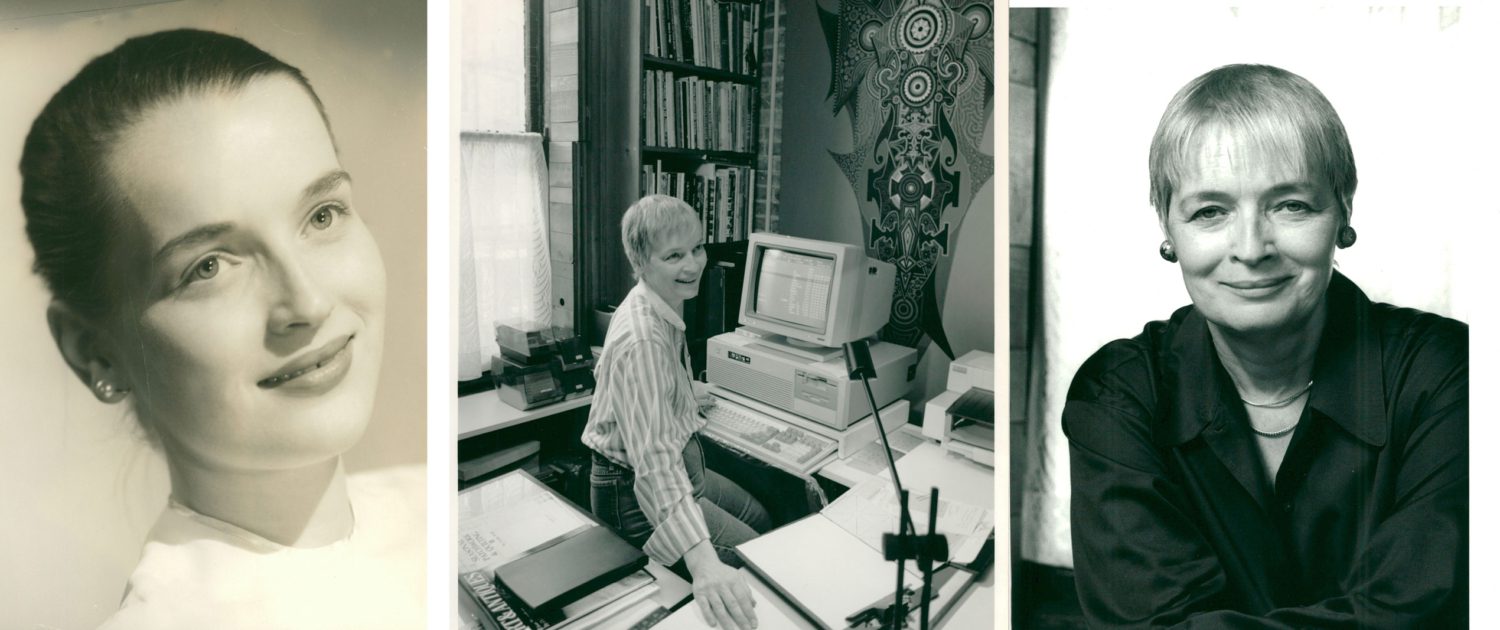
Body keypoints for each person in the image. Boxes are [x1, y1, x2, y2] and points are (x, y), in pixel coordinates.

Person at [19, 29, 422, 629]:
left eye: (321, 214)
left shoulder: (428, 499)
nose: (306, 301)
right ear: (96, 354)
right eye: (207, 266)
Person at [1063, 64, 1466, 627]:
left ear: (1343, 213)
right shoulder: (1118, 394)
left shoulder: (1451, 372)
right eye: (1210, 211)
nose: (1251, 248)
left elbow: (1425, 609)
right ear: (1168, 231)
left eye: (1291, 205)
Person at [582, 194, 773, 630]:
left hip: (683, 465)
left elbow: (647, 391)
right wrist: (704, 566)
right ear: (641, 261)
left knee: (761, 519)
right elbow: (654, 468)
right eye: (674, 256)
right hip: (631, 490)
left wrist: (684, 393)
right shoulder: (643, 339)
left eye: (697, 249)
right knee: (757, 561)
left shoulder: (657, 302)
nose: (693, 264)